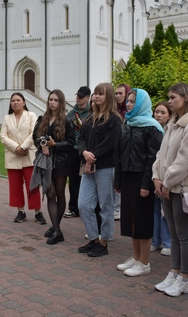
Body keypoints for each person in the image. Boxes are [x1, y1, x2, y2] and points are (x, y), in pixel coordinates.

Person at [152, 83, 188, 297]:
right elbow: (161, 155)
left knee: (183, 234)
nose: (170, 101)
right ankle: (174, 272)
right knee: (173, 233)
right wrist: (156, 177)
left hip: (182, 187)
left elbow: (185, 160)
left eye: (173, 97)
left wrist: (167, 182)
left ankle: (185, 277)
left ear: (184, 97)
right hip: (167, 186)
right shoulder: (172, 123)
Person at [114, 89, 163, 276]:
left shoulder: (152, 127)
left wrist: (146, 185)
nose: (128, 104)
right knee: (130, 220)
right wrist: (118, 180)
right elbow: (119, 155)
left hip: (142, 179)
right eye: (128, 101)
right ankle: (135, 258)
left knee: (142, 220)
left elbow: (153, 159)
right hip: (127, 177)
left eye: (133, 101)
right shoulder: (127, 124)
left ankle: (144, 262)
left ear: (142, 103)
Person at [77, 83, 122, 257]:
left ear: (108, 97)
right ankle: (94, 238)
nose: (96, 97)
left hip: (105, 167)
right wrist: (84, 152)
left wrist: (92, 156)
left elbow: (110, 144)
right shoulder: (90, 118)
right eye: (95, 94)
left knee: (105, 205)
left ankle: (104, 242)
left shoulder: (114, 120)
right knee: (84, 204)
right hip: (89, 167)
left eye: (100, 94)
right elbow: (81, 138)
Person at [33, 90, 76, 244]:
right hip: (46, 163)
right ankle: (57, 230)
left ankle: (56, 228)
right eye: (50, 99)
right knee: (50, 194)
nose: (52, 103)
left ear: (61, 102)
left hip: (62, 162)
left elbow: (72, 142)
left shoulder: (67, 120)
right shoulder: (42, 119)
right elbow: (35, 138)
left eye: (56, 100)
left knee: (59, 193)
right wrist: (43, 145)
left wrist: (55, 145)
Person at [0, 92, 46, 225]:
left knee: (33, 185)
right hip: (13, 156)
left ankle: (38, 212)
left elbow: (34, 133)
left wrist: (23, 148)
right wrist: (16, 149)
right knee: (15, 186)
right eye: (13, 100)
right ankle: (20, 211)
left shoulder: (31, 116)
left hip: (29, 155)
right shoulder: (7, 118)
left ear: (24, 102)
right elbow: (3, 137)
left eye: (18, 100)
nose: (15, 102)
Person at [64, 86, 91, 219]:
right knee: (74, 179)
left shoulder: (91, 113)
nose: (78, 99)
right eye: (77, 96)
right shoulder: (71, 114)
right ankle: (74, 208)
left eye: (81, 97)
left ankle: (85, 207)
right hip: (74, 151)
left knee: (86, 180)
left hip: (86, 151)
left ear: (88, 98)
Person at [151, 101, 172, 256]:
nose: (158, 115)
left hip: (167, 174)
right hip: (154, 173)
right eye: (157, 111)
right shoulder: (151, 128)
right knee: (155, 210)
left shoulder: (171, 131)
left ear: (169, 115)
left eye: (163, 112)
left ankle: (168, 242)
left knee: (166, 211)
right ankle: (155, 240)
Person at [113, 83, 131, 220]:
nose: (118, 96)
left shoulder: (129, 113)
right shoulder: (114, 110)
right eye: (116, 93)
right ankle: (116, 207)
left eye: (121, 93)